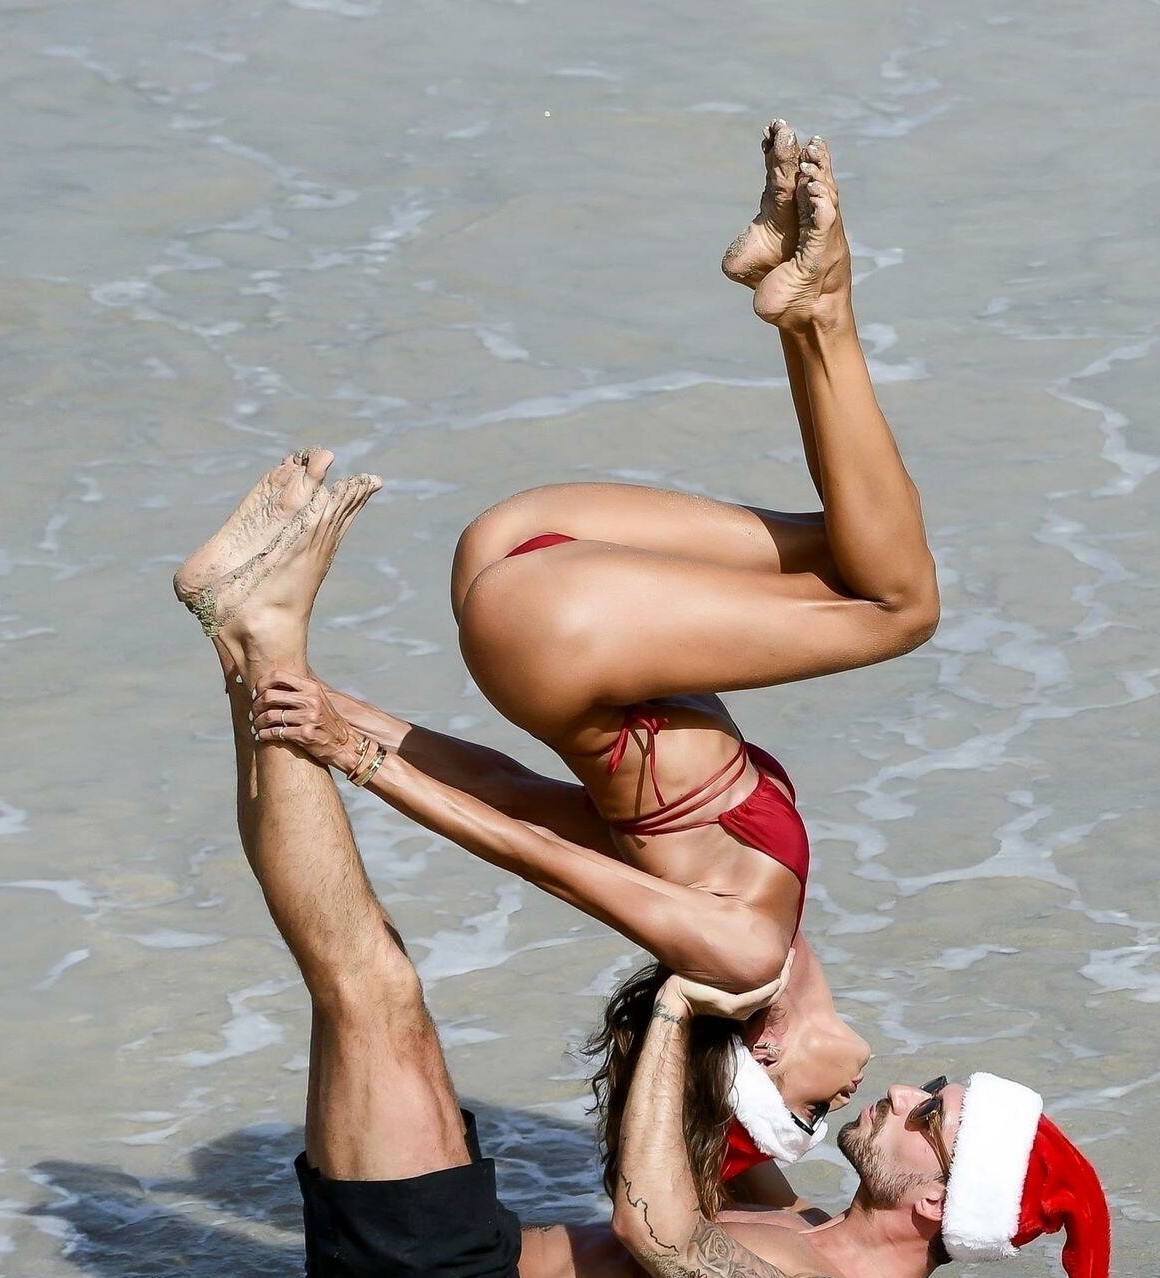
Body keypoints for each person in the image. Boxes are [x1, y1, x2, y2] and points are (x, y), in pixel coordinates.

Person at [171, 459, 1126, 1278]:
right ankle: (247, 639)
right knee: (374, 982)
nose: (903, 1091)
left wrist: (681, 1007)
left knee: (372, 985)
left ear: (934, 1203)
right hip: (463, 1273)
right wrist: (752, 988)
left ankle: (263, 632)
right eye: (932, 1089)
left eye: (929, 1116)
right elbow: (714, 1122)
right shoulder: (796, 1225)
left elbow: (655, 1228)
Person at [239, 126, 937, 1209]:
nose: (842, 1099)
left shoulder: (739, 956)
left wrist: (348, 747)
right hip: (535, 583)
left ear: (758, 1057)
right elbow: (517, 791)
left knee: (902, 608)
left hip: (562, 621)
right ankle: (796, 291)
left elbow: (529, 847)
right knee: (862, 547)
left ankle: (822, 305)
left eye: (806, 1113)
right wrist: (343, 711)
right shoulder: (733, 896)